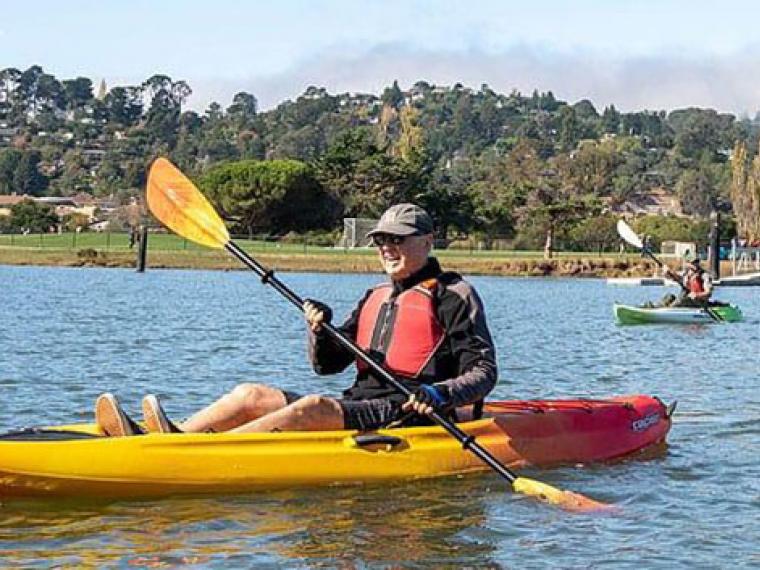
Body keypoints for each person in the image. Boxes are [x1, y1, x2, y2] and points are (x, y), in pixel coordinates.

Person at [95, 203, 498, 437]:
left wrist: (439, 395)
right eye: (381, 241)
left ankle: (193, 454)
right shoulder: (375, 295)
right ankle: (172, 439)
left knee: (312, 407)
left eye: (398, 239)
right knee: (250, 394)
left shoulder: (453, 295)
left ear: (427, 243)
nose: (387, 248)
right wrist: (318, 329)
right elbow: (328, 365)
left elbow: (483, 372)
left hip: (410, 412)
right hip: (363, 403)